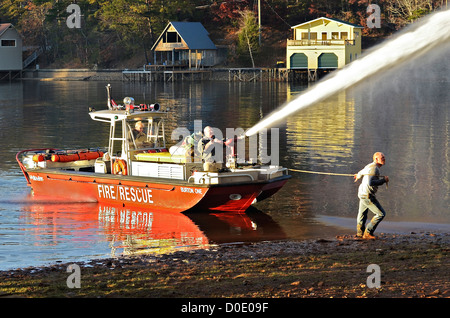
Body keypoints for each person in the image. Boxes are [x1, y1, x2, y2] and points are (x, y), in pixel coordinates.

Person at [353, 152, 389, 239]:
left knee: (362, 214)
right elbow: (370, 183)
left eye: (384, 157)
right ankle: (368, 232)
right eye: (382, 157)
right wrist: (383, 180)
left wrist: (358, 175)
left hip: (362, 193)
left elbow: (361, 172)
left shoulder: (369, 165)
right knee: (381, 214)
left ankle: (360, 234)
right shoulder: (374, 169)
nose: (384, 158)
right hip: (367, 195)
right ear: (376, 159)